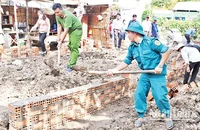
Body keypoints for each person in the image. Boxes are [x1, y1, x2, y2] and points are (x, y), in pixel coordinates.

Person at [107, 22, 173, 129]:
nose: (127, 35)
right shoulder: (132, 47)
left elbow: (166, 51)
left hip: (157, 74)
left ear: (135, 33)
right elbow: (127, 61)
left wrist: (160, 66)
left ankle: (167, 117)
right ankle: (141, 116)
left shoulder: (150, 42)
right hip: (145, 74)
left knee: (160, 96)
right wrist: (115, 69)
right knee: (139, 94)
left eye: (129, 33)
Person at [52, 3, 82, 72]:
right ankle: (72, 61)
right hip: (71, 31)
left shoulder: (68, 16)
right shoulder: (57, 16)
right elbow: (59, 26)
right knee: (70, 46)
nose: (56, 14)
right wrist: (58, 36)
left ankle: (71, 65)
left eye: (58, 12)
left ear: (61, 10)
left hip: (76, 30)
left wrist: (61, 41)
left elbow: (65, 30)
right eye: (55, 13)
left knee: (74, 47)